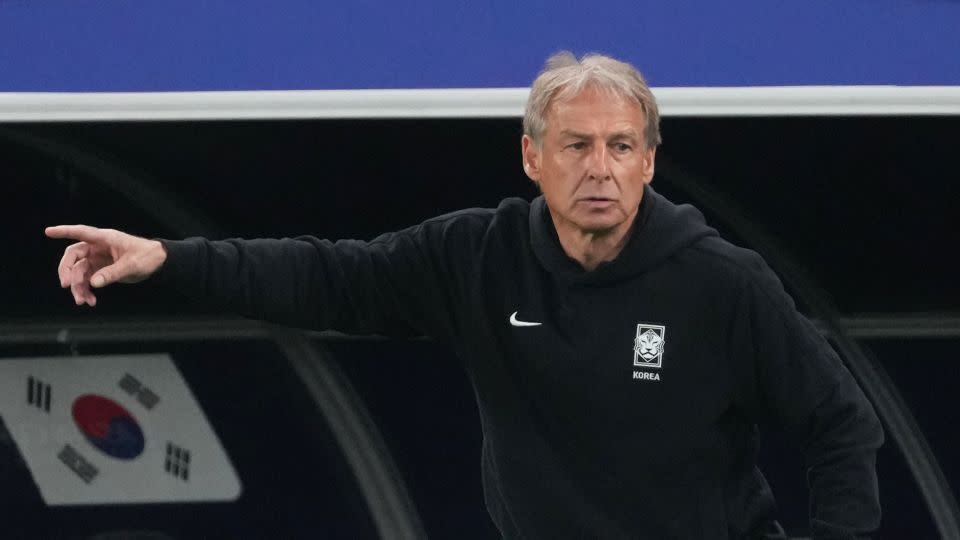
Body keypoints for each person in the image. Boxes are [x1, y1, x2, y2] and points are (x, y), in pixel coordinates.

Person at [47, 52, 882, 539]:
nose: (600, 167)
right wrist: (169, 257)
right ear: (531, 157)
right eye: (577, 145)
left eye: (622, 146)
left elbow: (842, 423)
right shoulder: (475, 257)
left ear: (650, 161)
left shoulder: (720, 281)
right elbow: (326, 275)